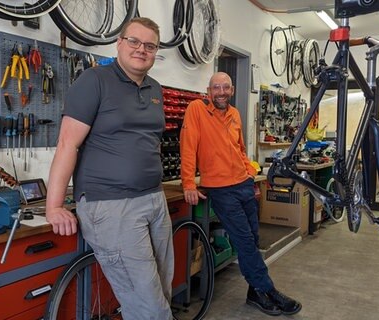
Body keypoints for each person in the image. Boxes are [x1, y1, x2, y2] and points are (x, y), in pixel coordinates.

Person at [45, 17, 174, 320]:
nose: (141, 49)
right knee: (149, 308)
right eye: (134, 41)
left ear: (155, 52)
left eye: (150, 45)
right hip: (112, 206)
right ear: (119, 43)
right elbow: (67, 144)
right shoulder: (94, 80)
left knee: (161, 293)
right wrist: (53, 206)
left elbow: (150, 140)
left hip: (154, 200)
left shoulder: (155, 88)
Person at [180, 72, 302, 316]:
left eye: (226, 87)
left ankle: (254, 292)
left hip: (243, 185)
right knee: (245, 241)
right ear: (209, 90)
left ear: (232, 90)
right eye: (216, 87)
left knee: (253, 239)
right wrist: (188, 184)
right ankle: (269, 290)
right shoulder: (196, 109)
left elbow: (238, 148)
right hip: (221, 189)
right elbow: (188, 145)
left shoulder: (235, 114)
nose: (221, 92)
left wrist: (249, 171)